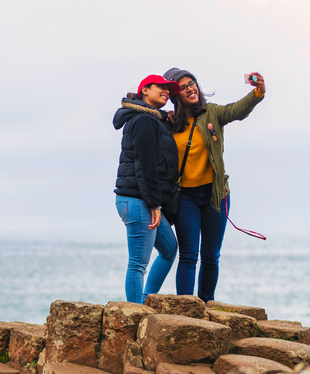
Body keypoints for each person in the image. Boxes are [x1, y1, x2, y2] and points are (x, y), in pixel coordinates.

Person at [162, 68, 266, 302]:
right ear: (175, 95)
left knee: (210, 255)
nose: (191, 88)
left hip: (215, 194)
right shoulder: (169, 123)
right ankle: (185, 308)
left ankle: (207, 304)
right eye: (183, 86)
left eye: (193, 83)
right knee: (188, 255)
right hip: (186, 196)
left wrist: (258, 92)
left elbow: (237, 110)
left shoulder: (212, 113)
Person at [113, 75, 181, 304]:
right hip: (138, 200)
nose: (166, 92)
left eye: (167, 89)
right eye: (160, 87)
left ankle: (143, 301)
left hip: (142, 198)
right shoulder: (144, 120)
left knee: (169, 249)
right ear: (144, 91)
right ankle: (134, 314)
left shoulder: (154, 120)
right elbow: (145, 165)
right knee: (138, 263)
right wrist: (154, 204)